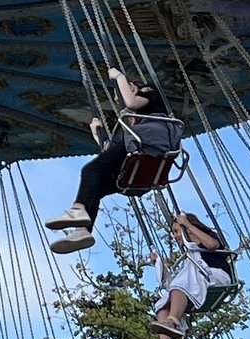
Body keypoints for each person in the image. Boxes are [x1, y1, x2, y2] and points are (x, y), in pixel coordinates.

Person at [45, 67, 181, 253]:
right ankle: (83, 230)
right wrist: (96, 132)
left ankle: (78, 209)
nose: (119, 102)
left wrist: (119, 76)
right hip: (142, 158)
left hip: (150, 140)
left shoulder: (149, 93)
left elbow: (131, 103)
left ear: (132, 87)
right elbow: (109, 152)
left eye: (119, 95)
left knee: (90, 171)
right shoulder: (134, 127)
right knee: (96, 184)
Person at [146, 211, 233, 339]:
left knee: (182, 280)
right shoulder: (191, 256)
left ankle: (173, 320)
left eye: (176, 231)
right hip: (199, 278)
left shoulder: (205, 238)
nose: (175, 236)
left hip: (216, 275)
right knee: (163, 302)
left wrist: (187, 224)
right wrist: (158, 263)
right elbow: (170, 281)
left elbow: (212, 245)